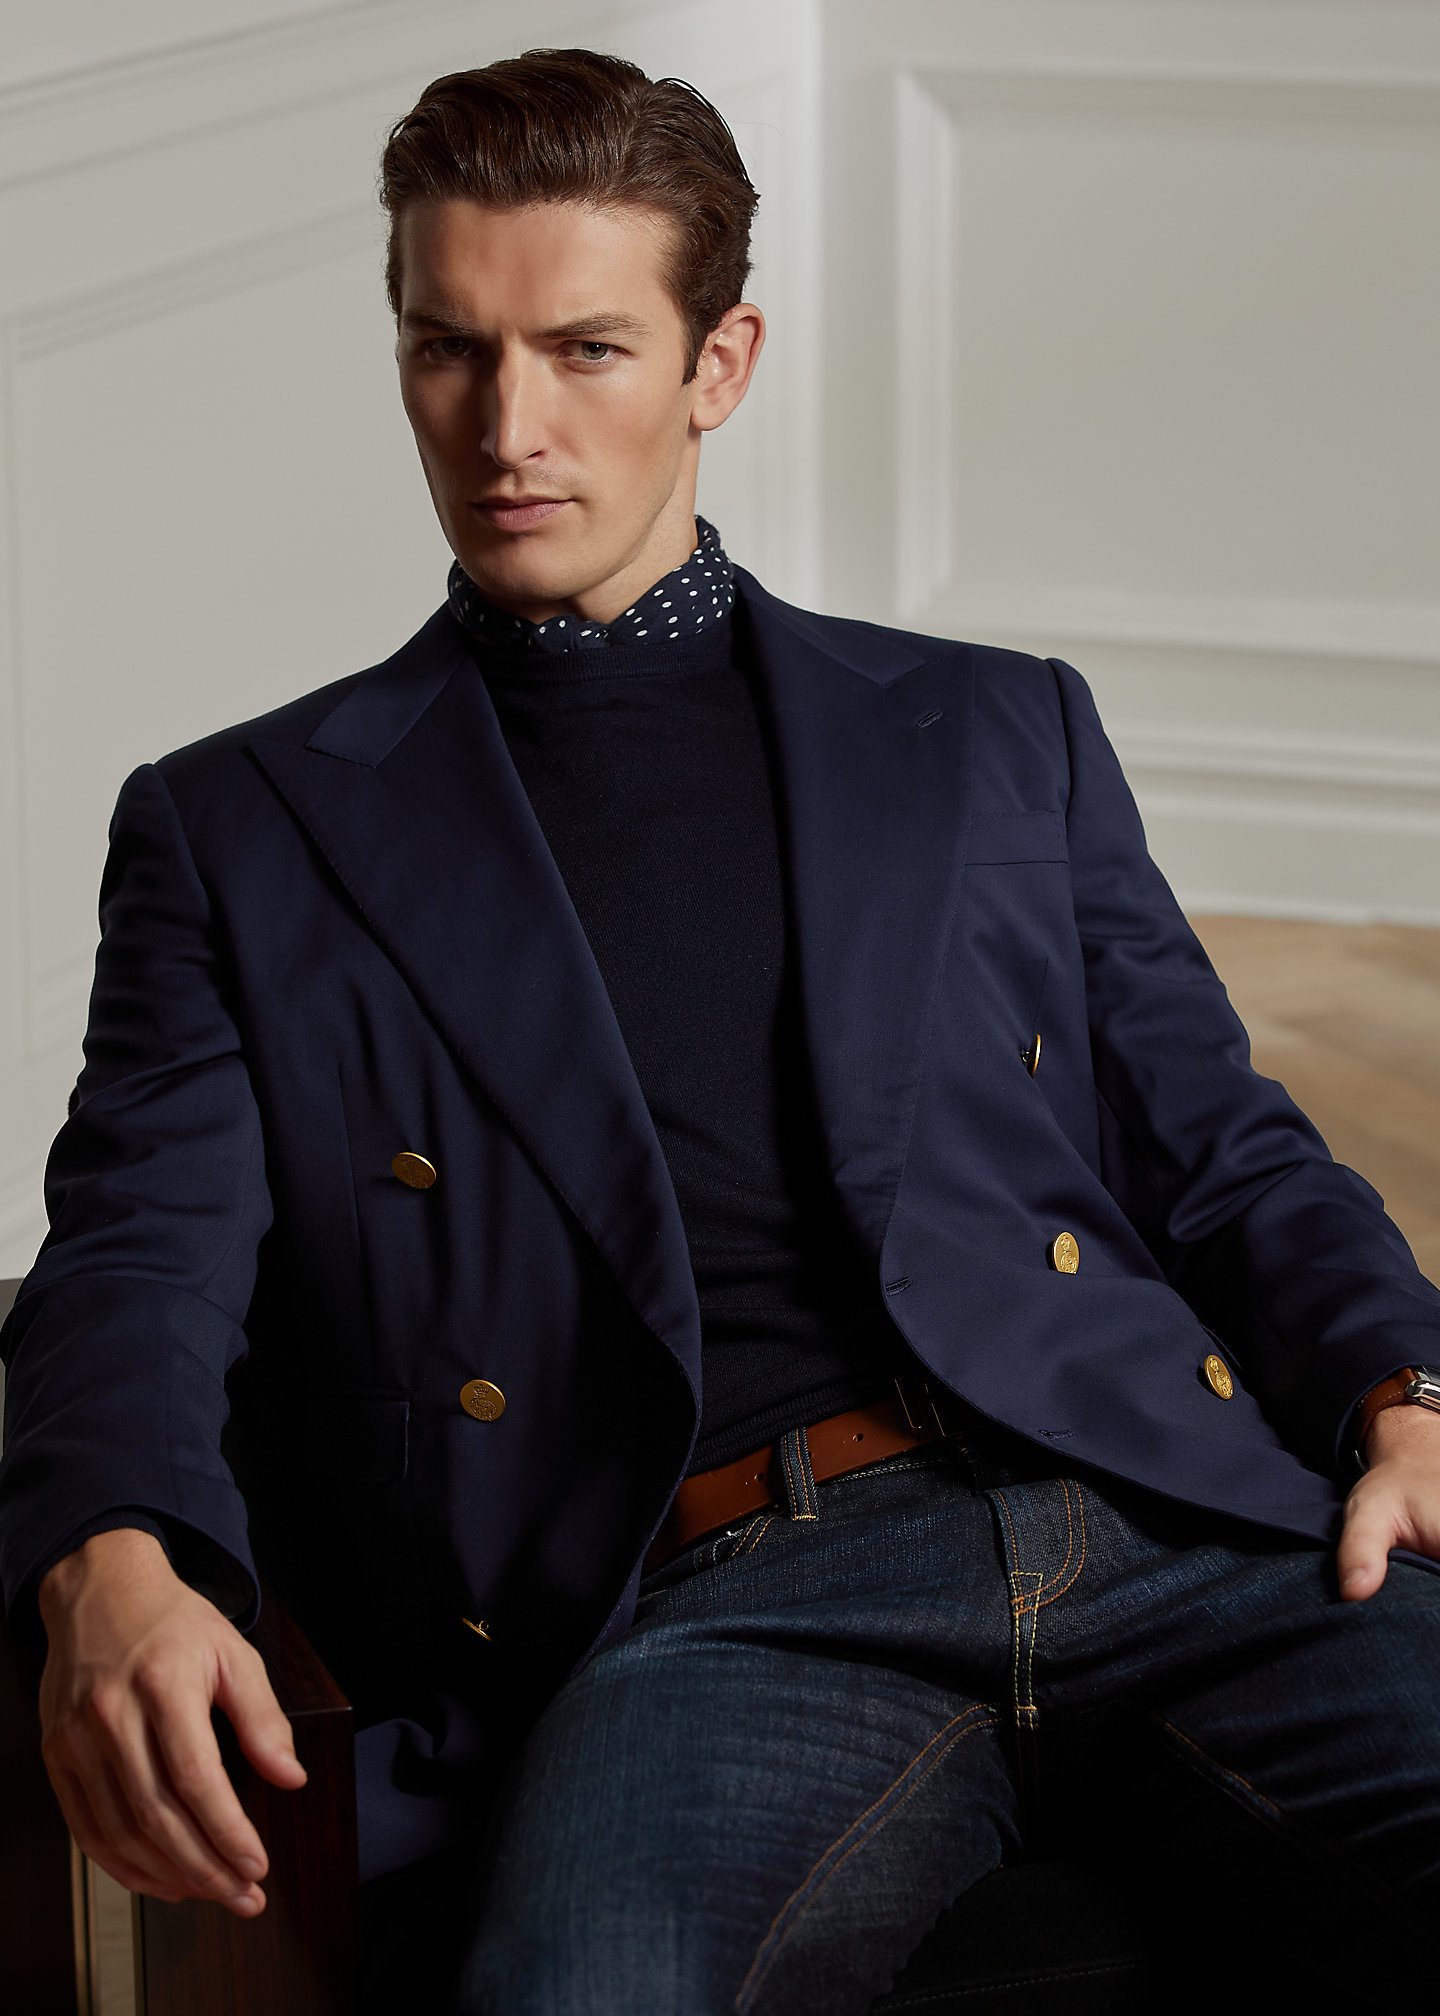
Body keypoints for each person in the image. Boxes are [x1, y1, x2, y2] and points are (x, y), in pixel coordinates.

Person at [3, 46, 1440, 2016]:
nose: (507, 426)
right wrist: (105, 1552)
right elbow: (134, 1256)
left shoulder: (990, 725)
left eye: (586, 349)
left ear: (719, 362)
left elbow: (1219, 1141)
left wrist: (1403, 1391)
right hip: (728, 1609)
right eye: (448, 349)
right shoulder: (244, 828)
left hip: (1157, 1521)